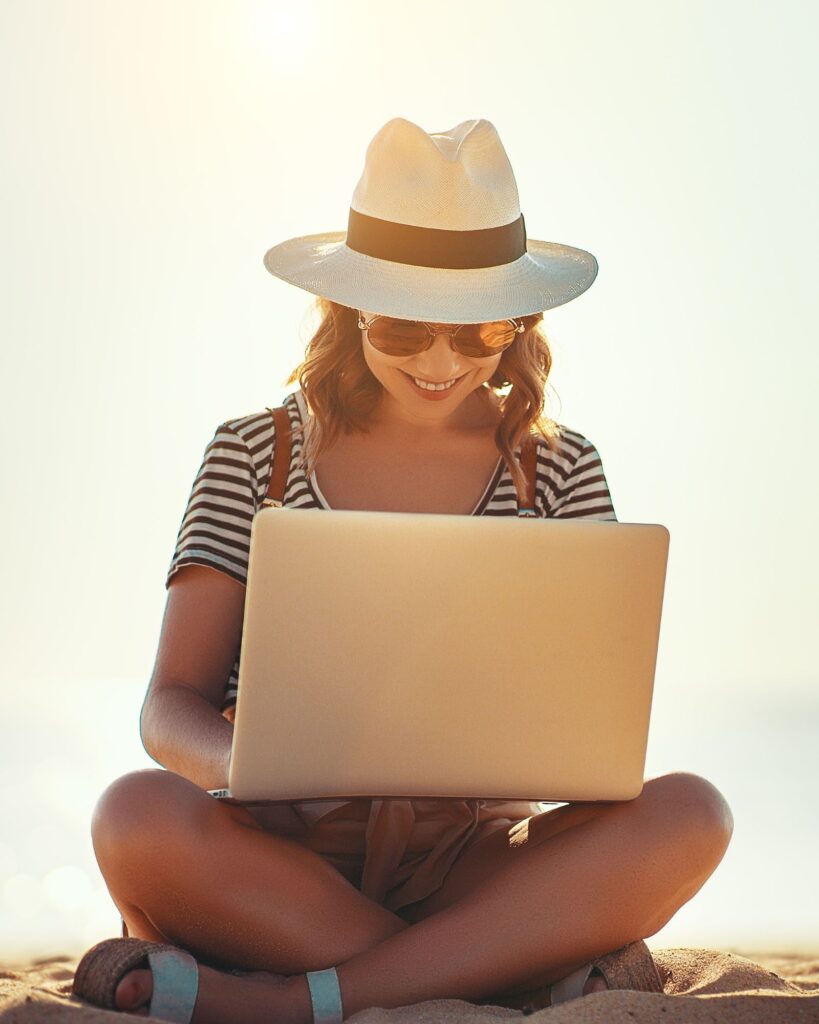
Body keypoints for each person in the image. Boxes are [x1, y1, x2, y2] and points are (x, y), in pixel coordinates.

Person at [72, 118, 734, 1024]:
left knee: (691, 814)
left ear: (521, 325)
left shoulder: (561, 468)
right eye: (403, 326)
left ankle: (286, 999)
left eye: (479, 334)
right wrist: (254, 764)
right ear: (347, 308)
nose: (437, 363)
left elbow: (591, 733)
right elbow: (168, 705)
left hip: (471, 857)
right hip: (279, 855)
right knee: (133, 819)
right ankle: (510, 967)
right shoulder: (252, 452)